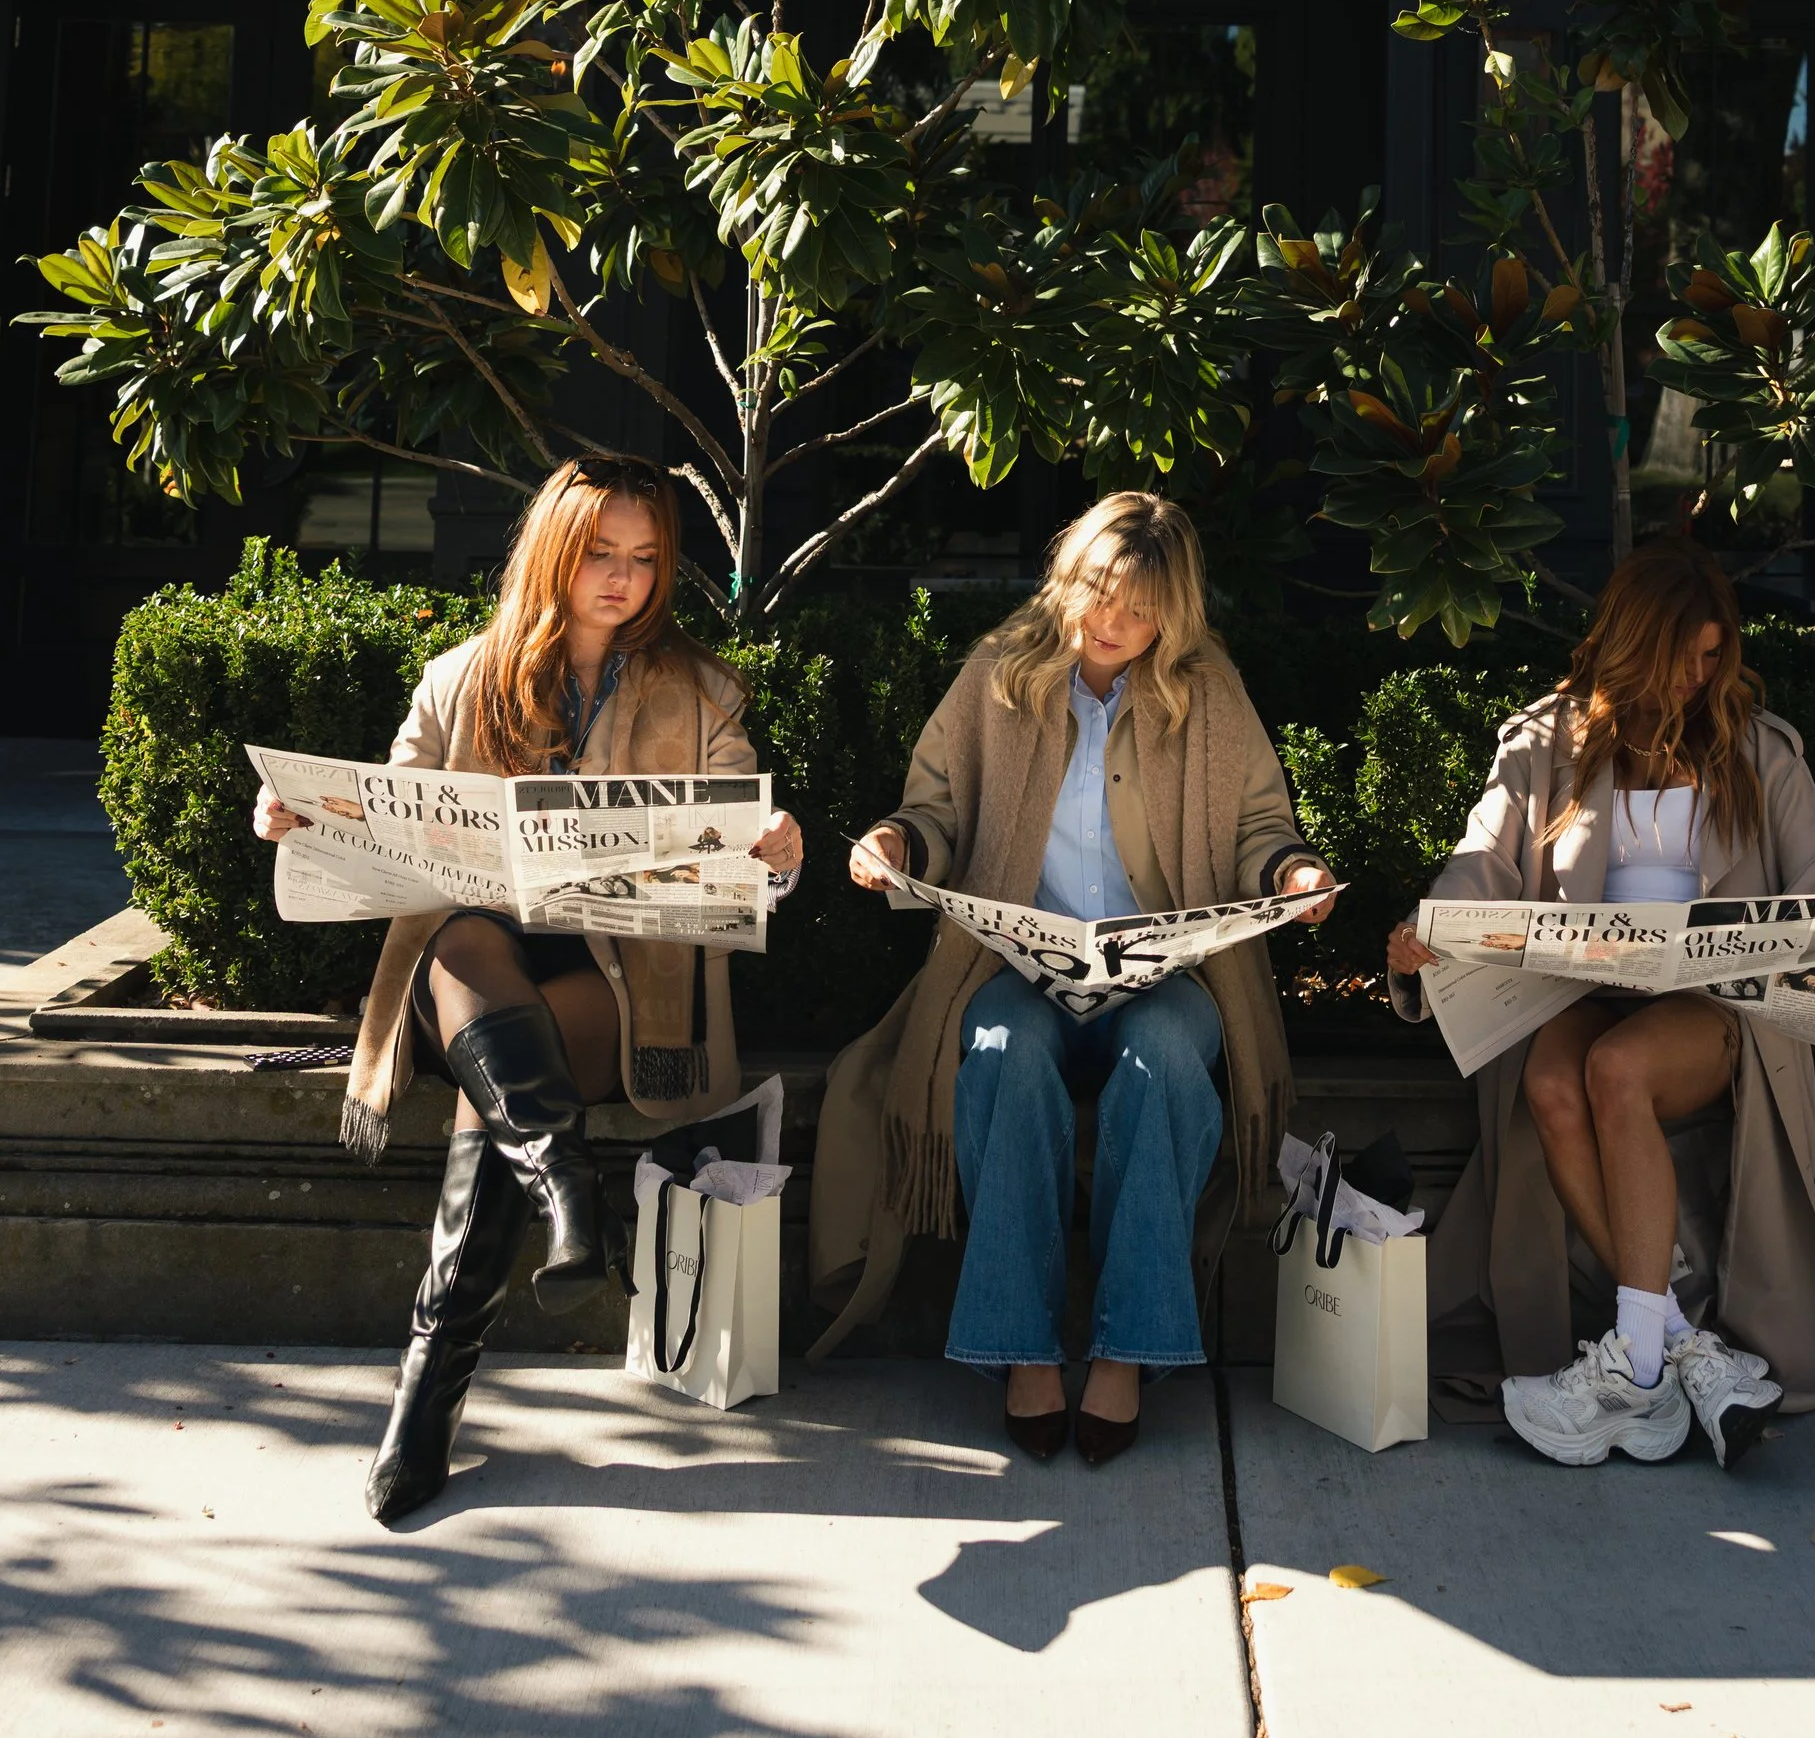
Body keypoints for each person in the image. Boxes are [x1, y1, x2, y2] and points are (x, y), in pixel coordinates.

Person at [251, 456, 802, 1524]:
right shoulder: (460, 678)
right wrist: (300, 820)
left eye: (646, 561)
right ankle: (562, 1184)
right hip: (465, 967)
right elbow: (379, 812)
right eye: (602, 553)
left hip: (614, 985)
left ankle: (429, 1388)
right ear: (555, 549)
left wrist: (776, 853)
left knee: (505, 1069)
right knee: (463, 940)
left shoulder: (702, 691)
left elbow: (747, 859)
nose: (624, 580)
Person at [1388, 535, 1815, 1472]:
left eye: (1713, 654)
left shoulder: (1758, 750)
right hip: (1579, 987)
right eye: (1682, 653)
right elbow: (1484, 858)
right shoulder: (1542, 742)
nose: (1697, 675)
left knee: (1617, 1070)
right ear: (1629, 641)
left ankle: (1635, 1367)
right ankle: (1674, 1345)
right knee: (1554, 1081)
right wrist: (1428, 926)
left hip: (1709, 1005)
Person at [810, 492, 1335, 1462]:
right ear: (1071, 576)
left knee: (1169, 1054)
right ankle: (1022, 1349)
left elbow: (1264, 824)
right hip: (1023, 964)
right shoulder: (1002, 672)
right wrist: (892, 841)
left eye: (1140, 609)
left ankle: (1129, 1350)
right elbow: (935, 808)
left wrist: (1291, 875)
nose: (1113, 622)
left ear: (1172, 614)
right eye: (1101, 592)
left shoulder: (1205, 687)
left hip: (1163, 975)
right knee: (1004, 1052)